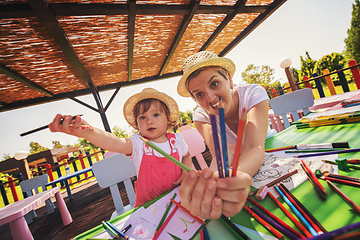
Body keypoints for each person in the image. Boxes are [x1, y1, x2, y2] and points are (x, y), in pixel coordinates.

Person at [49, 88, 192, 207]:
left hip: (179, 199)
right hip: (148, 208)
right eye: (142, 117)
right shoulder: (138, 144)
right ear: (136, 123)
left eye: (155, 114)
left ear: (167, 117)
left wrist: (186, 172)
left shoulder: (177, 140)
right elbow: (113, 142)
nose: (149, 121)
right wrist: (88, 131)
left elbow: (186, 156)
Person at [177, 51, 276, 219]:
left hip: (273, 150)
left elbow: (253, 146)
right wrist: (213, 182)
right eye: (199, 94)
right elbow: (222, 154)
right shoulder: (202, 116)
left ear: (229, 79)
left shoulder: (253, 93)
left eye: (214, 83)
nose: (210, 97)